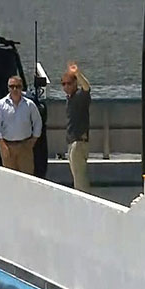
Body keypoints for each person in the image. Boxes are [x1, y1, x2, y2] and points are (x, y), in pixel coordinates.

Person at [0, 75, 42, 175]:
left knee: (27, 178)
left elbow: (37, 122)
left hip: (25, 146)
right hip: (7, 147)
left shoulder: (29, 104)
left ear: (22, 87)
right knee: (9, 179)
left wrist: (33, 140)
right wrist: (2, 145)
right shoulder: (0, 105)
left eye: (17, 86)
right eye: (12, 86)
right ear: (8, 88)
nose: (15, 89)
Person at [61, 61, 91, 192]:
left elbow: (87, 87)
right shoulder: (70, 99)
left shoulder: (80, 96)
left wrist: (77, 73)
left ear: (75, 83)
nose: (66, 86)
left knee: (80, 181)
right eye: (63, 84)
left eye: (69, 83)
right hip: (72, 143)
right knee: (76, 178)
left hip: (79, 142)